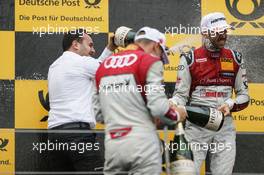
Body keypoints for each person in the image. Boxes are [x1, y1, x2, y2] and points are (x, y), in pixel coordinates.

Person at [94, 26, 187, 175]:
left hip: (113, 146)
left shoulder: (103, 66)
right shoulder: (149, 61)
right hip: (142, 144)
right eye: (161, 55)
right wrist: (177, 114)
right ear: (156, 45)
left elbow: (98, 114)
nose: (160, 61)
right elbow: (158, 108)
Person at [170, 12, 250, 175]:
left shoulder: (235, 58)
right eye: (218, 31)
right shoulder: (189, 58)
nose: (223, 34)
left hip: (225, 126)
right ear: (206, 32)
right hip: (197, 125)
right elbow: (181, 96)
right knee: (186, 173)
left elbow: (244, 96)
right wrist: (174, 103)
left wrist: (230, 104)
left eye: (225, 30)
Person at [47, 29, 117, 172]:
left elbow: (96, 66)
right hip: (77, 135)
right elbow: (109, 69)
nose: (93, 50)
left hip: (54, 136)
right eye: (90, 45)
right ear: (76, 45)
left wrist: (110, 48)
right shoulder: (82, 63)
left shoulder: (54, 66)